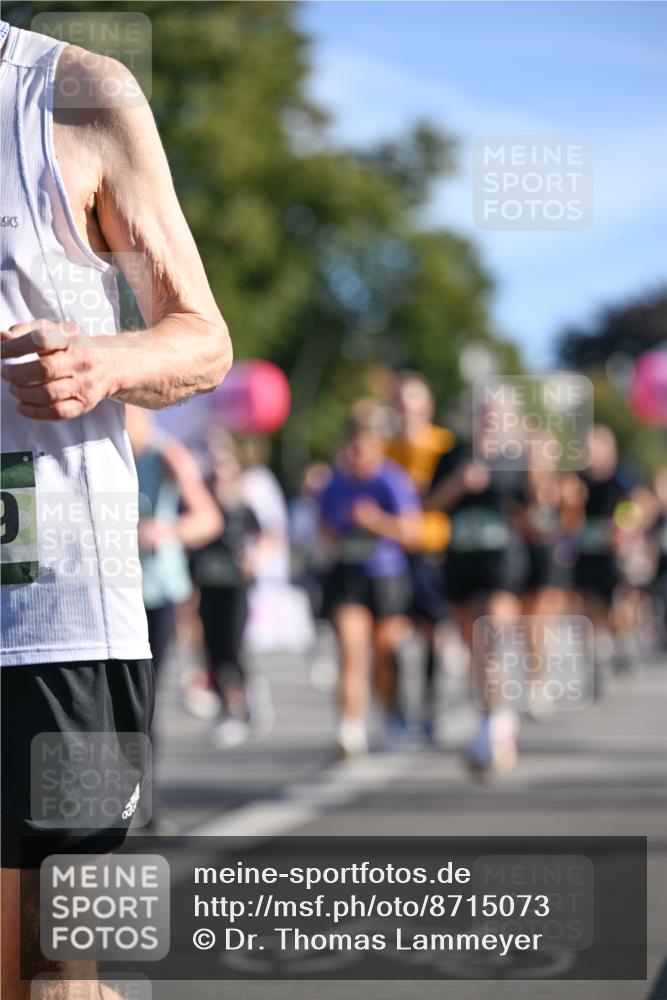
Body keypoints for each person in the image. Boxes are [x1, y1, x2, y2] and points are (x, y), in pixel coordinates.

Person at [0, 21, 231, 1000]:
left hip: (46, 611)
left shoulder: (75, 94)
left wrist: (101, 361)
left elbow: (202, 338)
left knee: (49, 969)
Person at [426, 396, 527, 773]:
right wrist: (459, 482)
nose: (488, 421)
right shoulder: (451, 456)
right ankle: (495, 715)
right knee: (476, 651)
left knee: (491, 639)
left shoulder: (515, 460)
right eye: (483, 415)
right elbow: (429, 505)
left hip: (503, 566)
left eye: (495, 416)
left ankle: (492, 726)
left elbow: (533, 511)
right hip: (461, 566)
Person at [319, 402, 422, 757]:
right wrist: (336, 536)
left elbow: (413, 532)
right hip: (348, 576)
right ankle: (350, 725)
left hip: (386, 577)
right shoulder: (333, 484)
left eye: (362, 446)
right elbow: (324, 527)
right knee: (352, 650)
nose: (355, 453)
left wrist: (375, 522)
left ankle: (391, 711)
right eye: (351, 445)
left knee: (384, 652)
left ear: (378, 446)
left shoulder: (391, 481)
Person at [386, 372, 453, 741]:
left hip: (432, 550)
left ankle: (429, 708)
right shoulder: (384, 449)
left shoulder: (445, 446)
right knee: (393, 633)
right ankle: (396, 709)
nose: (405, 409)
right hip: (394, 551)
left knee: (431, 633)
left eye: (412, 401)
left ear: (428, 406)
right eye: (400, 401)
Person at [189, 437, 263, 747]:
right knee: (212, 649)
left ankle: (243, 702)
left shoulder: (242, 508)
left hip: (234, 589)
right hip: (209, 588)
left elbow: (263, 537)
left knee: (233, 647)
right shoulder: (199, 507)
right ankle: (226, 707)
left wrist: (253, 557)